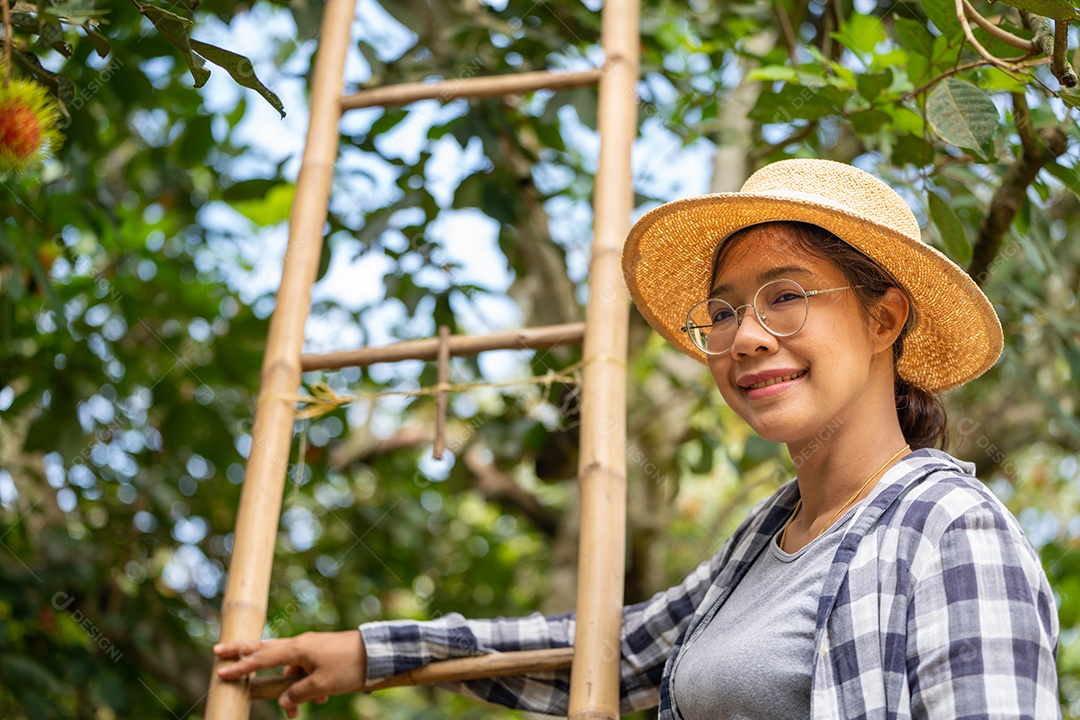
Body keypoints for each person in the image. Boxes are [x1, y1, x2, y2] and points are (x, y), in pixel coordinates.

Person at [214, 159, 1060, 719]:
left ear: (885, 317)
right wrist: (374, 652)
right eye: (723, 312)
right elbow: (612, 652)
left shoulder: (950, 530)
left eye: (787, 296)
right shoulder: (763, 544)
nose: (747, 338)